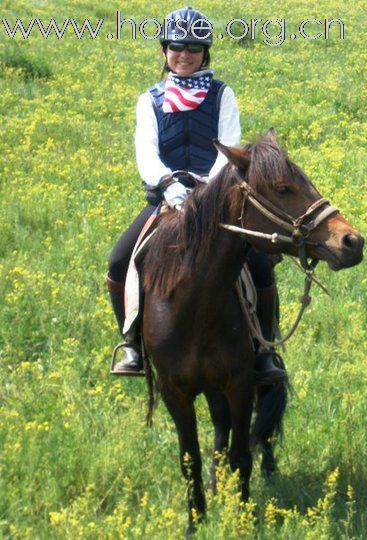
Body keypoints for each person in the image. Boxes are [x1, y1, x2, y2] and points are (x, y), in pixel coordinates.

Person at [106, 6, 287, 383]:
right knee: (121, 260)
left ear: (205, 52)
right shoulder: (149, 100)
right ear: (164, 50)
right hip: (165, 200)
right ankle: (132, 344)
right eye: (176, 46)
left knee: (260, 265)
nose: (184, 54)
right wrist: (170, 186)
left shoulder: (223, 94)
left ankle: (265, 351)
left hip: (215, 200)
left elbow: (229, 147)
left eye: (193, 47)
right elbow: (146, 152)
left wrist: (204, 192)